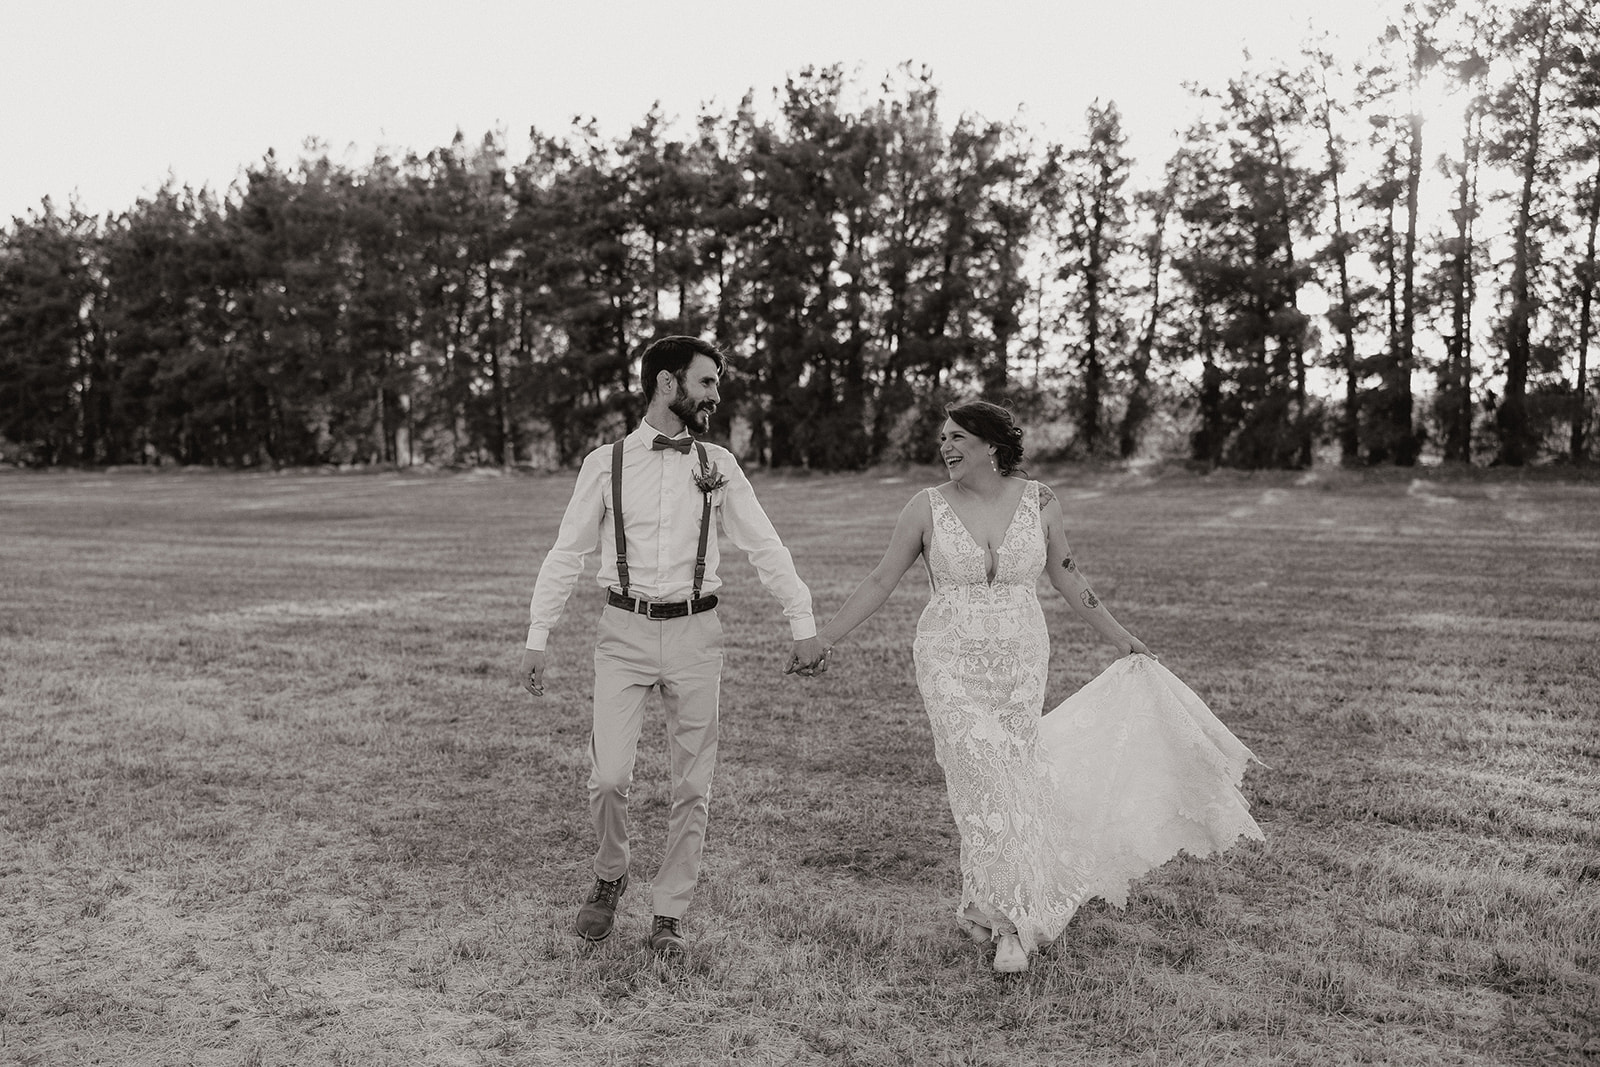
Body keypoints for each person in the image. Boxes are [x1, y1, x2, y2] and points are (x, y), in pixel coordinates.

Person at [815, 401, 1262, 974]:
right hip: (950, 661)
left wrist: (1125, 639)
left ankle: (989, 904)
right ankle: (1014, 925)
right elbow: (881, 579)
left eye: (957, 438)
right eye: (942, 439)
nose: (945, 447)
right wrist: (824, 637)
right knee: (980, 778)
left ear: (991, 445)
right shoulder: (923, 507)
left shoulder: (1040, 501)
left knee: (1011, 777)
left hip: (1020, 662)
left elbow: (1070, 578)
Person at [521, 335, 828, 960]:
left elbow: (764, 546)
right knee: (608, 778)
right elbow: (568, 552)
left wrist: (803, 620)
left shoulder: (721, 465)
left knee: (693, 785)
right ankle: (611, 875)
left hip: (696, 633)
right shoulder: (602, 464)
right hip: (623, 631)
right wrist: (537, 634)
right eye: (706, 383)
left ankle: (668, 914)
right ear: (669, 384)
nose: (715, 394)